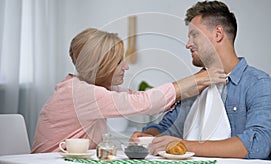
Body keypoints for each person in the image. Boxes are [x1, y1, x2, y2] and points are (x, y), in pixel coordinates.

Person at [31, 28, 226, 153]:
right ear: (99, 66)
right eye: (118, 62)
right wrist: (196, 79)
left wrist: (192, 86)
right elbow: (143, 103)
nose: (125, 67)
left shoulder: (93, 89)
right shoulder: (80, 93)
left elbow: (140, 97)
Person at [131, 1, 271, 161]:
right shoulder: (197, 85)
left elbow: (258, 145)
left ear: (218, 34)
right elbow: (168, 128)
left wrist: (184, 146)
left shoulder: (260, 85)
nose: (188, 44)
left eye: (194, 35)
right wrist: (148, 136)